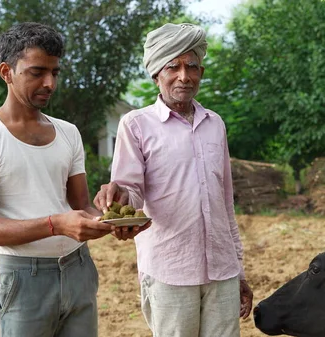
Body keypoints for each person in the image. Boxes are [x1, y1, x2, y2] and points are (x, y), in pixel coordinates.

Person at [0, 22, 141, 337]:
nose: (50, 83)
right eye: (37, 72)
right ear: (6, 71)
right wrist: (56, 224)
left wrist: (110, 222)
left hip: (78, 268)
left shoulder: (68, 132)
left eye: (55, 72)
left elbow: (80, 204)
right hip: (25, 277)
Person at [93, 23, 253, 337]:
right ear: (157, 74)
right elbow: (132, 190)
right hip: (170, 270)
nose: (184, 76)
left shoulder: (214, 124)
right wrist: (119, 195)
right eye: (173, 67)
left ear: (201, 73)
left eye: (191, 67)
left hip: (222, 271)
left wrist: (239, 270)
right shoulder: (136, 124)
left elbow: (225, 203)